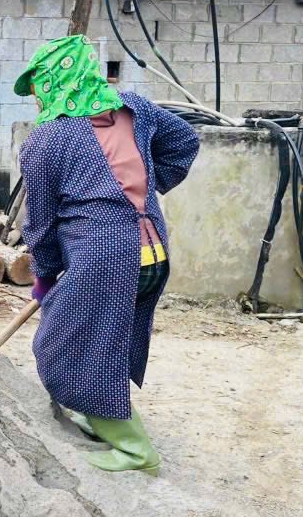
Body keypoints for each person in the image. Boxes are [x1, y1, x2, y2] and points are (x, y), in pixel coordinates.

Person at [15, 35, 199, 476]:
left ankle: (135, 449)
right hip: (152, 250)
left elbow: (40, 223)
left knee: (62, 347)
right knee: (107, 341)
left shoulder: (46, 141)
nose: (37, 96)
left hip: (106, 258)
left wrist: (44, 273)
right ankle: (99, 418)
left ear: (58, 79)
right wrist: (144, 186)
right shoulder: (136, 108)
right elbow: (186, 142)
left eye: (39, 83)